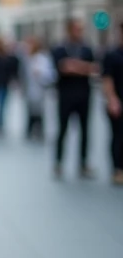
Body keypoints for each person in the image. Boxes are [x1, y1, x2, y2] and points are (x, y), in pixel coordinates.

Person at [52, 18, 97, 179]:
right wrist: (82, 67)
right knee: (62, 129)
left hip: (84, 95)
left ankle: (83, 163)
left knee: (85, 130)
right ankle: (58, 162)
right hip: (66, 96)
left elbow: (94, 68)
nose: (79, 32)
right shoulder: (60, 48)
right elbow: (62, 67)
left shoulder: (87, 49)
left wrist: (74, 66)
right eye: (77, 29)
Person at [100, 24, 123, 185]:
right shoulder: (112, 55)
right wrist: (112, 100)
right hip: (118, 101)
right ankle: (117, 169)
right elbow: (106, 79)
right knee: (118, 136)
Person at [23, 36, 54, 141]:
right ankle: (30, 129)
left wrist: (40, 74)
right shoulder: (28, 58)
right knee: (30, 110)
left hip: (39, 89)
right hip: (30, 89)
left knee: (38, 111)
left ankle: (38, 130)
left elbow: (50, 75)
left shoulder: (42, 59)